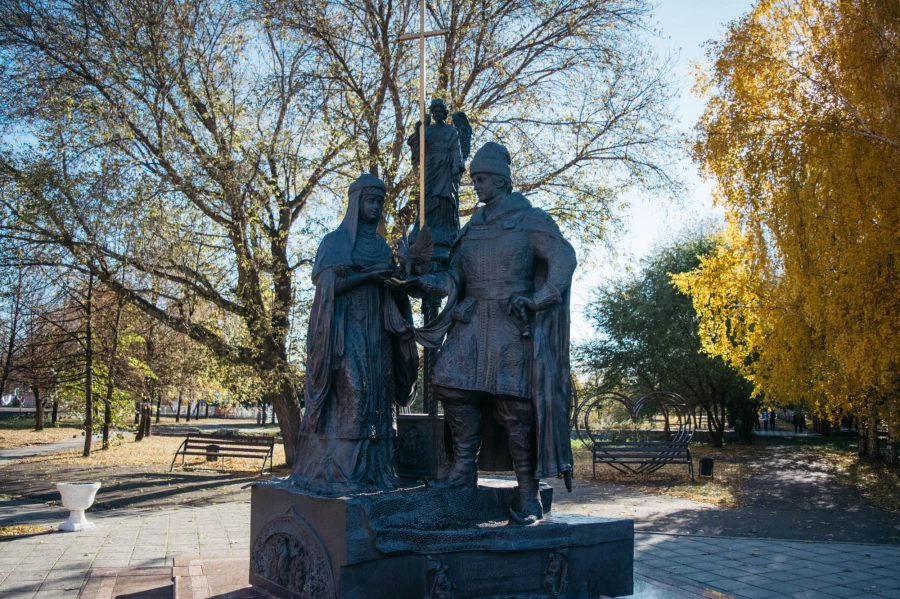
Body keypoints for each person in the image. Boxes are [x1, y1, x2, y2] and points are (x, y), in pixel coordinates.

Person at [406, 142, 578, 524]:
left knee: (515, 409)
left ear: (501, 181)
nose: (476, 187)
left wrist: (540, 298)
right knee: (448, 382)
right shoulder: (473, 228)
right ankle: (463, 470)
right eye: (474, 180)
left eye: (482, 179)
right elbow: (454, 279)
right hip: (472, 323)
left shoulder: (529, 220)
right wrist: (419, 280)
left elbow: (564, 259)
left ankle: (528, 494)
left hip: (509, 324)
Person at [290, 174, 418, 495]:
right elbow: (328, 286)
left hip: (379, 335)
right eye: (370, 201)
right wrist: (368, 276)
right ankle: (341, 469)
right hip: (345, 334)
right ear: (356, 202)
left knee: (379, 396)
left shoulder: (381, 246)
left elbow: (396, 290)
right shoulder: (335, 242)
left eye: (380, 202)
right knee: (356, 392)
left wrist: (403, 272)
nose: (375, 207)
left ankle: (376, 472)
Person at [407, 98, 468, 259]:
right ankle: (425, 229)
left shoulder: (451, 131)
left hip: (446, 167)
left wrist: (457, 164)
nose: (438, 113)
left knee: (446, 198)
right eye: (435, 111)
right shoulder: (428, 131)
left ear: (445, 113)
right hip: (430, 167)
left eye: (440, 110)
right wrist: (419, 129)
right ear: (432, 113)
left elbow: (456, 149)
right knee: (426, 197)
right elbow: (418, 146)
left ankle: (445, 232)